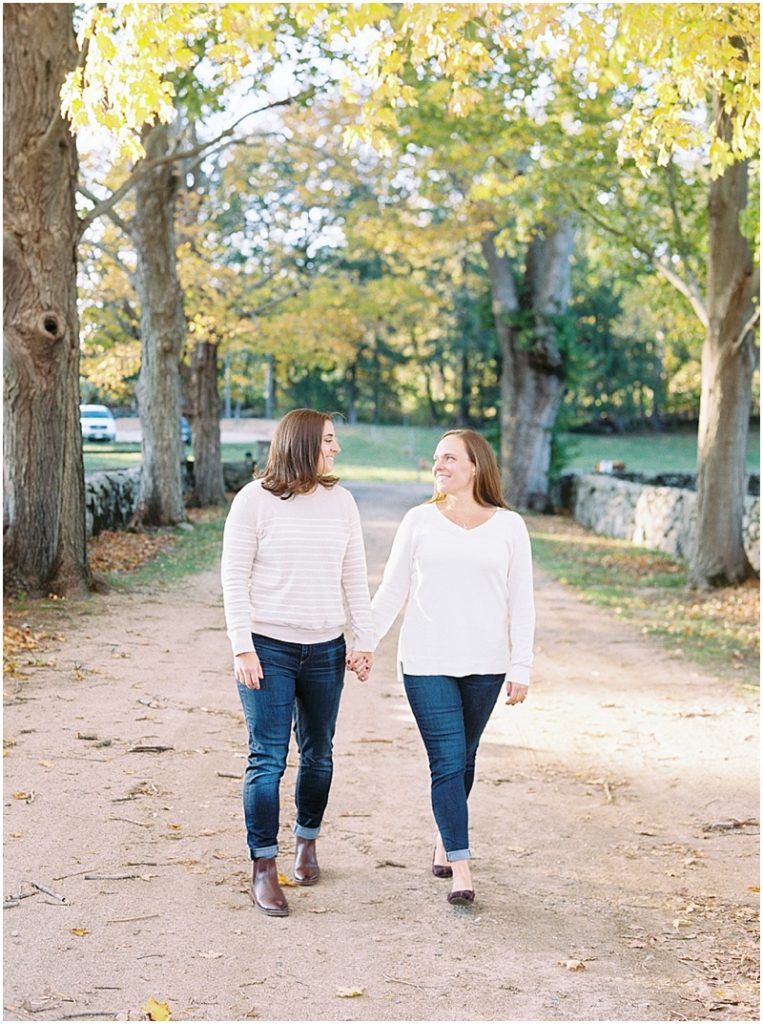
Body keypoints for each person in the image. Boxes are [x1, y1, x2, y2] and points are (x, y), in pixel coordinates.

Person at [368, 429, 535, 907]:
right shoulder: (419, 520)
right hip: (426, 660)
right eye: (436, 458)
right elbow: (393, 589)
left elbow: (522, 602)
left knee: (465, 757)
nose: (438, 465)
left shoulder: (509, 526)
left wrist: (520, 665)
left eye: (449, 458)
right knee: (445, 760)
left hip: (486, 664)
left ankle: (445, 837)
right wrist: (365, 642)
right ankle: (461, 867)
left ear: (476, 466)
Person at [221, 409, 374, 917]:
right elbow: (234, 578)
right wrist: (242, 646)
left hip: (326, 649)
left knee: (319, 753)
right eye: (329, 440)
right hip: (268, 649)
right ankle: (263, 866)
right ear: (304, 443)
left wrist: (363, 639)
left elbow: (354, 575)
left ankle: (306, 840)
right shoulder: (253, 501)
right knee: (267, 757)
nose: (336, 449)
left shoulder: (342, 502)